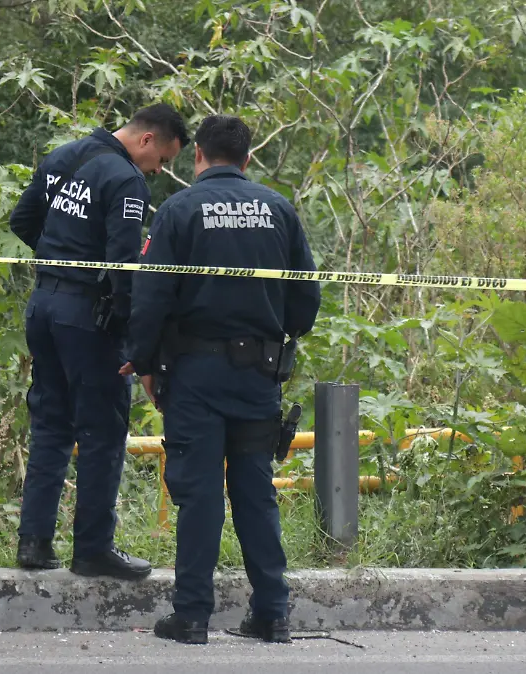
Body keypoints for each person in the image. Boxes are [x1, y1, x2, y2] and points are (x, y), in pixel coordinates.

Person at [119, 114, 322, 644]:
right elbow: (306, 300)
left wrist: (142, 361)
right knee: (255, 491)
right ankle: (273, 614)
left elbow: (153, 296)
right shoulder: (279, 210)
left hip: (195, 374)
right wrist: (274, 336)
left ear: (198, 156)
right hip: (258, 375)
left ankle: (191, 617)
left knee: (199, 493)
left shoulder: (179, 210)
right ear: (248, 159)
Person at [9, 103, 190, 578]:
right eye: (163, 160)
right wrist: (135, 342)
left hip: (43, 304)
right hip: (87, 316)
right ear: (148, 140)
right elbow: (124, 266)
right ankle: (92, 548)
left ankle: (34, 542)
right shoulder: (126, 179)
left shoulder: (63, 157)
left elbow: (22, 221)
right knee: (102, 432)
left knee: (50, 423)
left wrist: (60, 259)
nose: (158, 170)